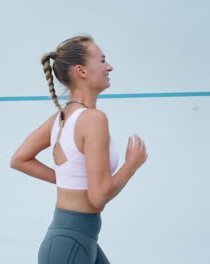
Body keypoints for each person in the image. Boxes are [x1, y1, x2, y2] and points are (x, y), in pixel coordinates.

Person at [10, 35, 148, 264]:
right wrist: (131, 165)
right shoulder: (93, 119)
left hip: (75, 240)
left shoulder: (61, 118)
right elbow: (98, 197)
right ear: (81, 71)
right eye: (102, 61)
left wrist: (70, 180)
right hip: (71, 244)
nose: (109, 66)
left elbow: (19, 159)